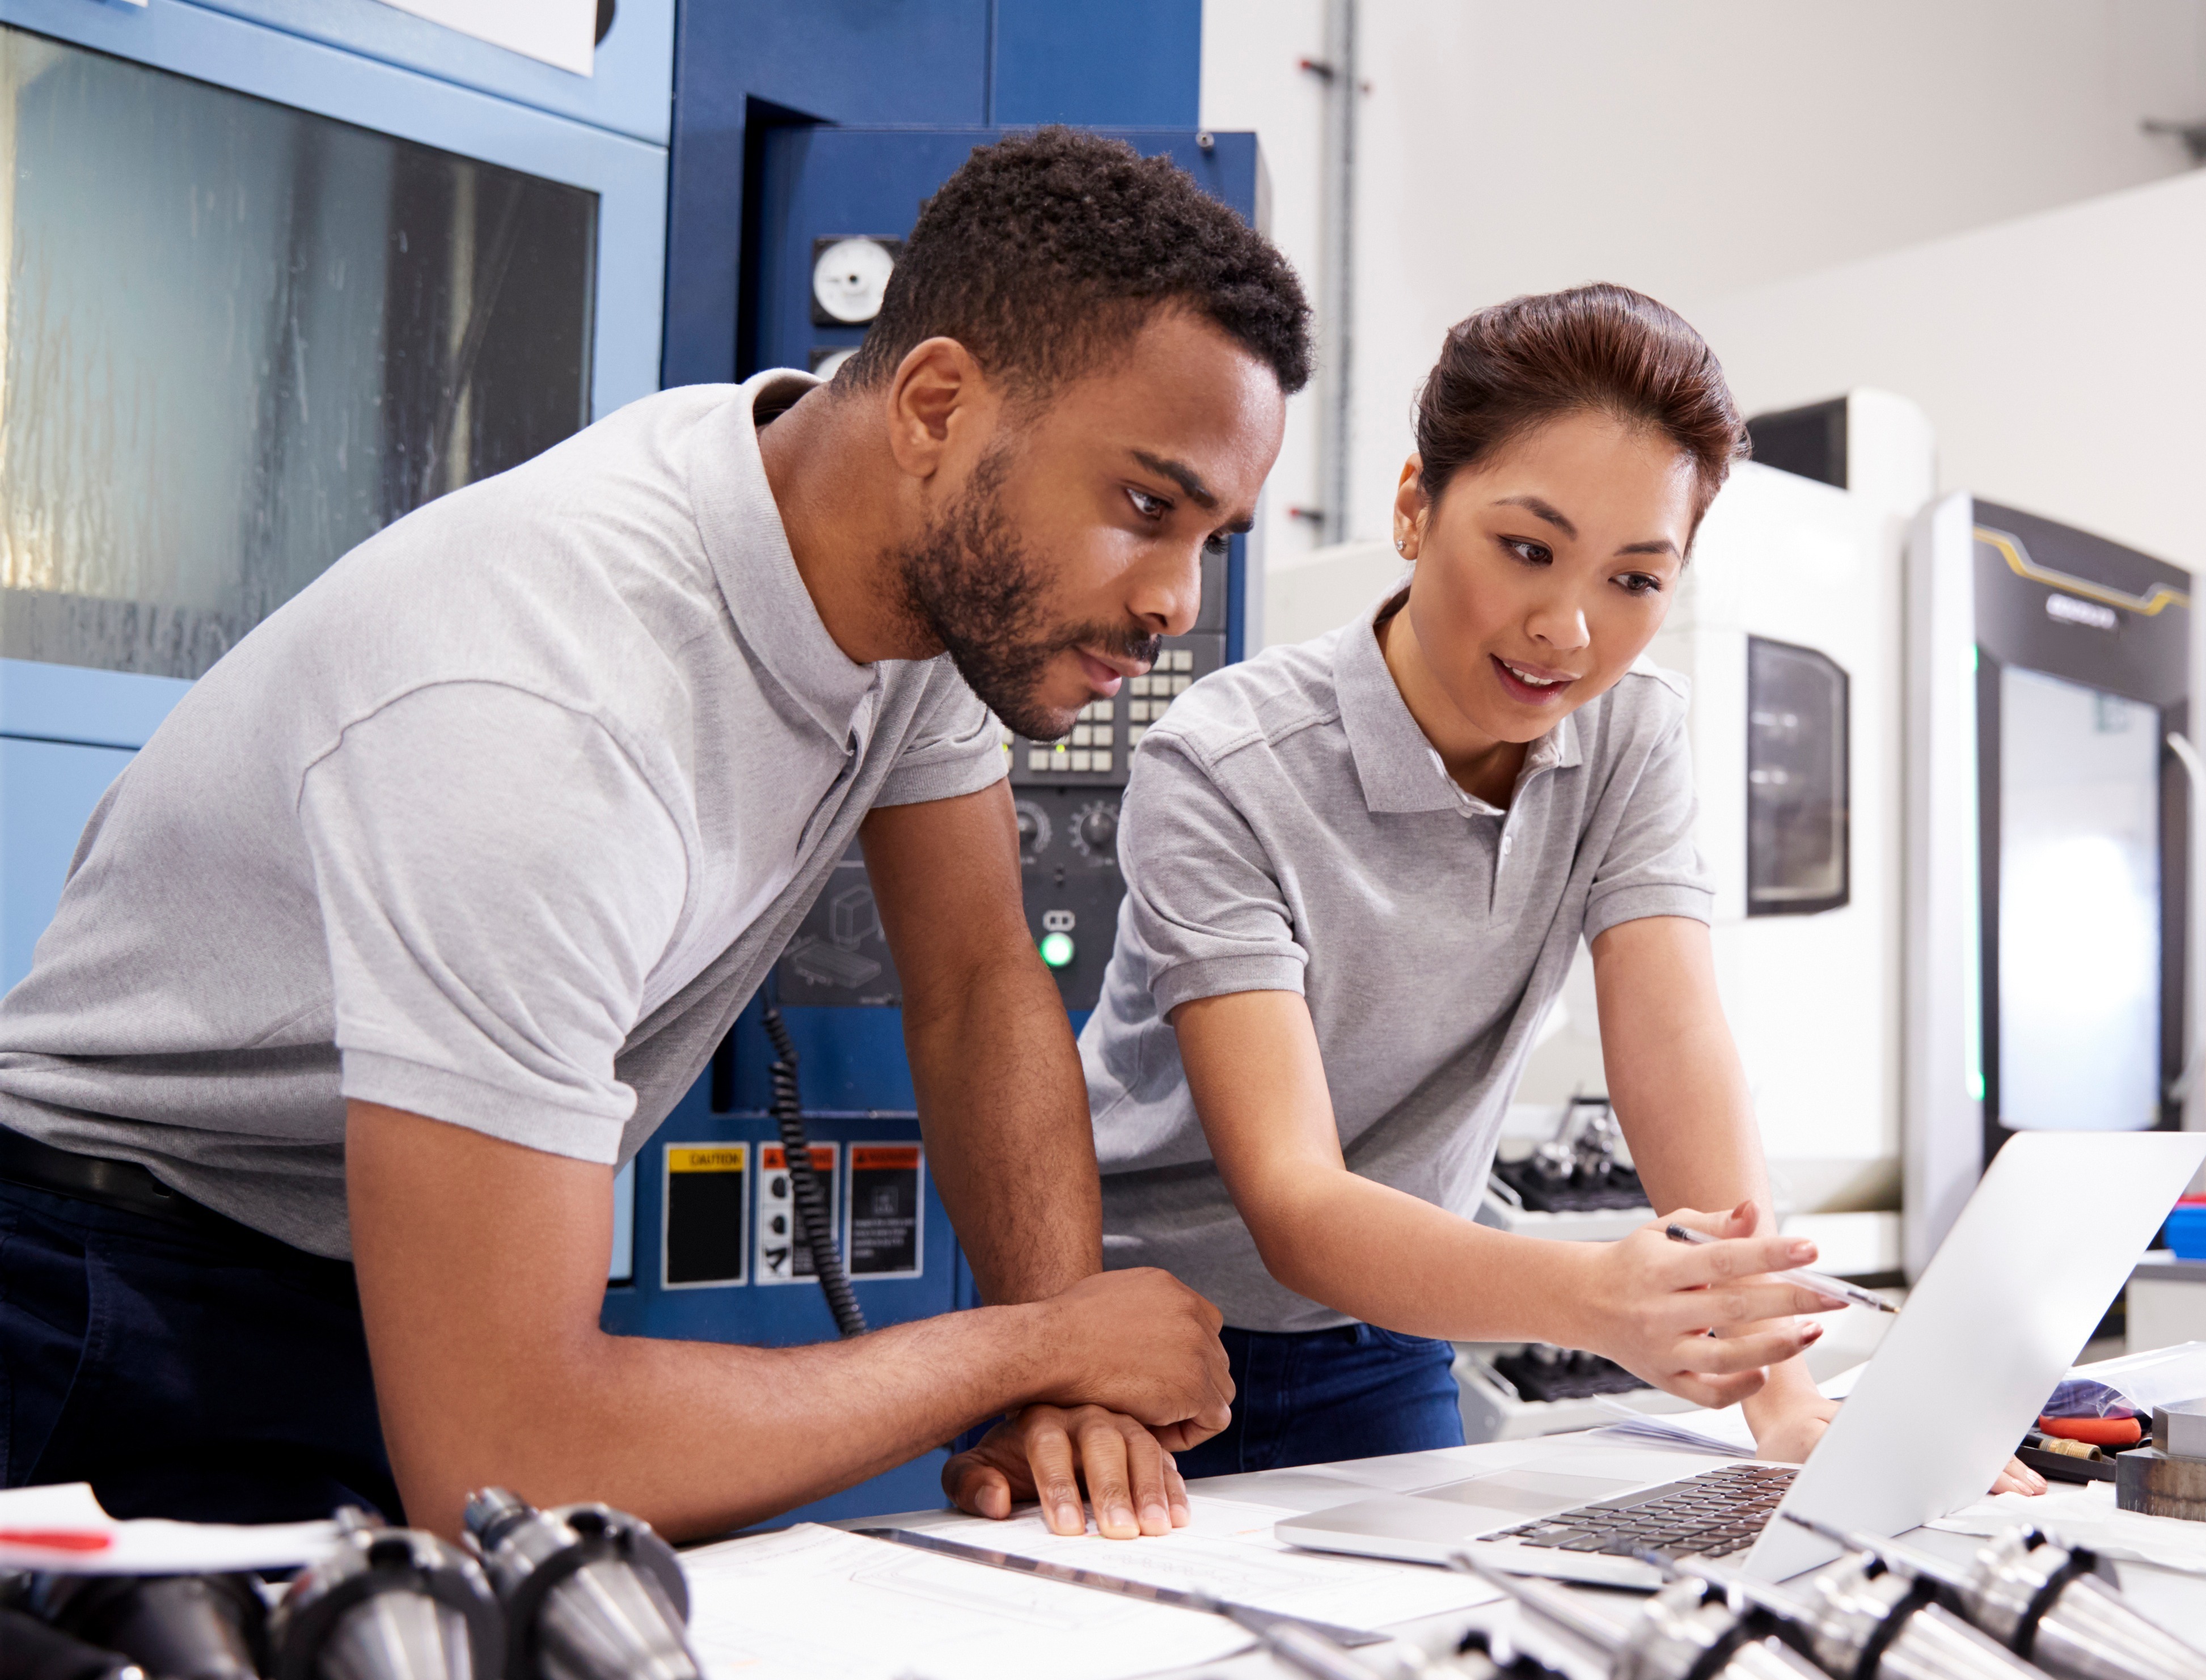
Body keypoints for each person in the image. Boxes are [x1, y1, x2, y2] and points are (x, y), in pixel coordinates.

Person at [0, 129, 1304, 1541]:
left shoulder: (905, 584)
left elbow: (978, 980)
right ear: (935, 407)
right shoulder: (544, 710)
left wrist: (1069, 1381)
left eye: (1212, 537)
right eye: (1144, 506)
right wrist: (1033, 1351)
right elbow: (511, 1459)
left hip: (362, 1283)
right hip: (103, 1305)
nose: (1175, 600)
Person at [948, 284, 2041, 1508]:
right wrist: (1591, 1298)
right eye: (1528, 549)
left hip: (1392, 1341)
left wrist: (1781, 1398)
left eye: (1636, 579)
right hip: (1149, 1345)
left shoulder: (1631, 739)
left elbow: (1673, 1044)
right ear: (1417, 507)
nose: (1566, 628)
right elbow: (1295, 1200)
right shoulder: (1226, 762)